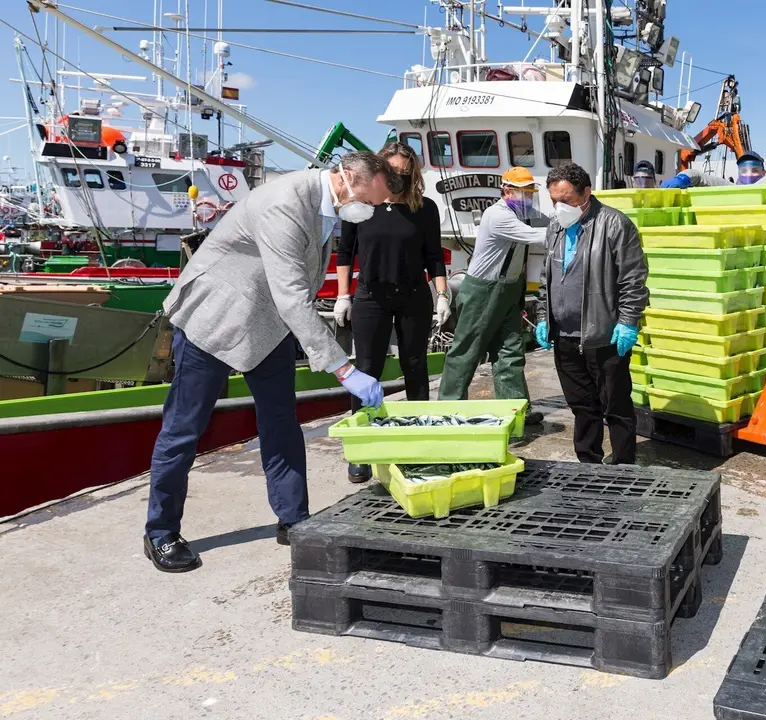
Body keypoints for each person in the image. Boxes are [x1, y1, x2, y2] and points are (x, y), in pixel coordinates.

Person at [145, 152, 393, 572]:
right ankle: (161, 533)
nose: (372, 209)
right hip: (216, 319)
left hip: (268, 326)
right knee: (184, 429)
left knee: (281, 424)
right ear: (349, 178)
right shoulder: (286, 201)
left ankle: (293, 518)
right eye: (372, 199)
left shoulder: (328, 205)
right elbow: (292, 294)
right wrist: (344, 369)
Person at [333, 143, 449, 483]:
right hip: (371, 296)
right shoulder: (360, 206)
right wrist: (343, 296)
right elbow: (345, 252)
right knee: (367, 370)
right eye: (393, 172)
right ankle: (362, 450)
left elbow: (434, 257)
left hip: (413, 295)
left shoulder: (424, 208)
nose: (398, 178)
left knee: (415, 367)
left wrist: (442, 294)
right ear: (379, 171)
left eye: (404, 172)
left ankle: (417, 442)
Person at [534, 162, 649, 464]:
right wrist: (544, 316)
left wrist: (627, 322)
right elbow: (547, 277)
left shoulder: (614, 225)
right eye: (554, 200)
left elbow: (633, 280)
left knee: (616, 407)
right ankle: (588, 464)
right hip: (565, 336)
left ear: (586, 193)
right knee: (582, 407)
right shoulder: (555, 227)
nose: (560, 207)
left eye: (567, 199)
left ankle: (624, 464)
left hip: (604, 335)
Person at [438, 167, 546, 424]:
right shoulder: (498, 215)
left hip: (508, 289)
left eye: (531, 193)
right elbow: (539, 236)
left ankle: (516, 409)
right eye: (524, 193)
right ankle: (448, 410)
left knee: (510, 349)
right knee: (466, 350)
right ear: (507, 191)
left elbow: (547, 224)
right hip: (482, 290)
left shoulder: (525, 214)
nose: (528, 198)